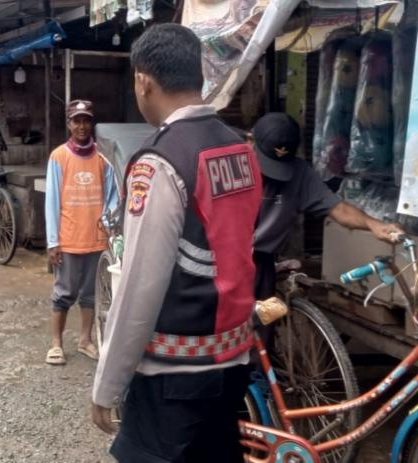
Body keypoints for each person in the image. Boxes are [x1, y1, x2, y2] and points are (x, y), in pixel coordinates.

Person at [91, 24, 263, 462]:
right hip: (233, 361)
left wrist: (107, 385)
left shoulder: (160, 161)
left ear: (143, 81)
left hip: (173, 378)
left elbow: (139, 287)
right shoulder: (239, 150)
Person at [251, 112, 404, 299]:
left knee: (261, 321)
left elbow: (338, 208)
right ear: (250, 141)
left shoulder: (300, 173)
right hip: (227, 258)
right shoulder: (230, 165)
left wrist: (374, 224)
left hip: (261, 261)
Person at [45, 99, 118, 366]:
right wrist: (53, 241)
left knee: (90, 294)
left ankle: (85, 340)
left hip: (97, 239)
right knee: (63, 293)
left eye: (87, 120)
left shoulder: (103, 157)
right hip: (68, 239)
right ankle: (56, 344)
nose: (82, 126)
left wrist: (112, 232)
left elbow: (112, 198)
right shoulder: (59, 157)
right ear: (69, 124)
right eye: (77, 120)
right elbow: (52, 201)